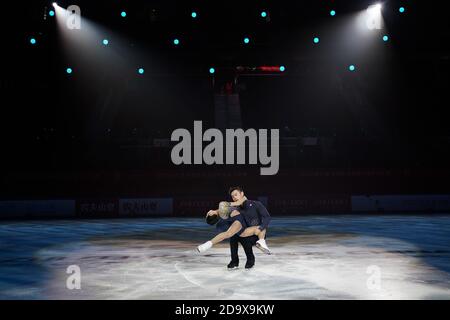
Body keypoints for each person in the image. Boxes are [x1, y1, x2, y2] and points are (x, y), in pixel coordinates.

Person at [197, 187, 272, 268]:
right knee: (231, 234)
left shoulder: (256, 204)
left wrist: (260, 228)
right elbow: (224, 209)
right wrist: (215, 211)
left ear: (242, 193)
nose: (234, 198)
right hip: (244, 231)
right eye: (232, 196)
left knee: (256, 230)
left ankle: (256, 251)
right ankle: (233, 260)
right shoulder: (235, 208)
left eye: (236, 195)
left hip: (255, 234)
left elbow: (267, 218)